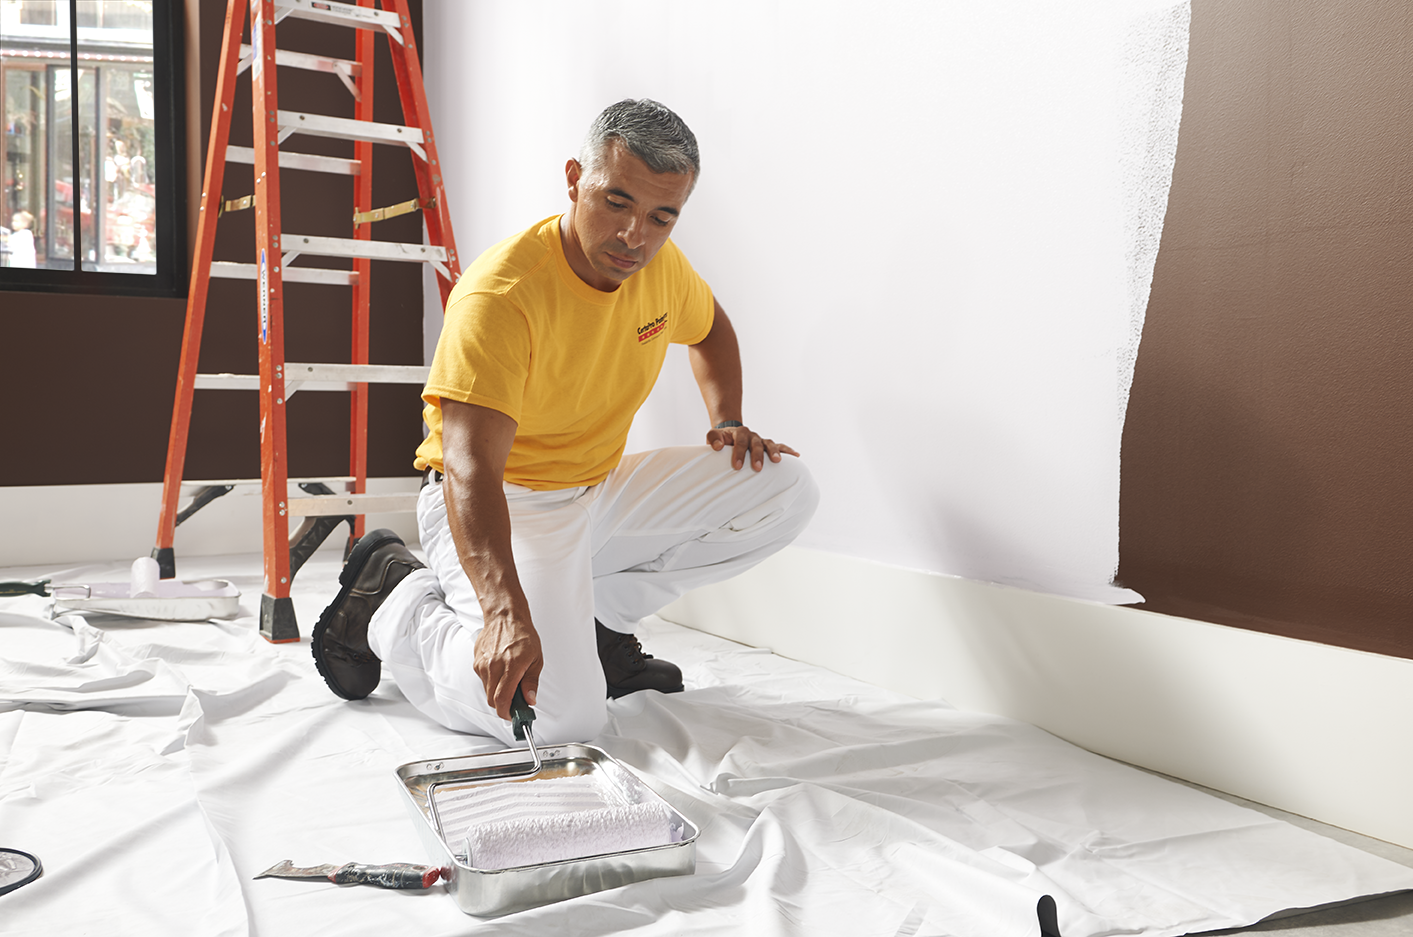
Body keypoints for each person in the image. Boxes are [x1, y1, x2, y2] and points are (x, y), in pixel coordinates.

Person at [311, 100, 819, 745]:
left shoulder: (660, 268)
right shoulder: (501, 297)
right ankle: (399, 605)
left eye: (661, 216)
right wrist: (502, 611)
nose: (635, 235)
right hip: (500, 502)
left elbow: (711, 328)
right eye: (616, 202)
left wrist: (728, 419)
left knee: (783, 489)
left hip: (595, 489)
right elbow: (471, 469)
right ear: (576, 178)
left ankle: (590, 630)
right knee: (560, 722)